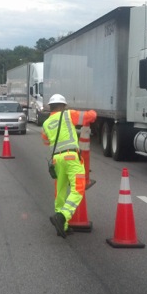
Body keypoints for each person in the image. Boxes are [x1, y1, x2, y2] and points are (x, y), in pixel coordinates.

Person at [41, 94, 97, 238]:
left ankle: (63, 226)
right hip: (71, 158)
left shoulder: (46, 124)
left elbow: (46, 142)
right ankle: (63, 216)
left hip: (56, 160)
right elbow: (90, 116)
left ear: (51, 107)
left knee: (60, 192)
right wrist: (93, 111)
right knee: (78, 188)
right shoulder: (68, 115)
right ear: (63, 106)